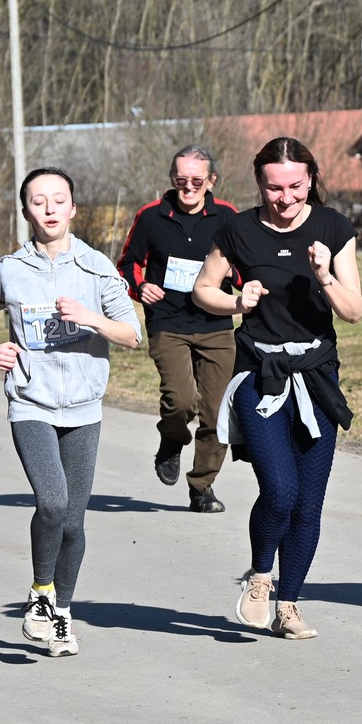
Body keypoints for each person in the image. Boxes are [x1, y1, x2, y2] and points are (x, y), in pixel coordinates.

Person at [191, 137, 362, 640]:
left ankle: (289, 606)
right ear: (259, 184)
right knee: (280, 490)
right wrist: (235, 301)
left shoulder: (333, 227)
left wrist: (325, 276)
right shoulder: (237, 229)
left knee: (309, 503)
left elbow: (352, 310)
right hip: (258, 375)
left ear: (311, 178)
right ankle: (261, 575)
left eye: (294, 186)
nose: (284, 198)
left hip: (318, 377)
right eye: (273, 188)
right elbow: (204, 290)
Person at [0, 167, 142, 658]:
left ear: (72, 208)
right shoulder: (9, 270)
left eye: (58, 200)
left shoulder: (96, 268)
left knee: (73, 520)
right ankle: (40, 592)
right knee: (51, 502)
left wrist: (91, 318)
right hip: (31, 403)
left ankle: (63, 613)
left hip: (84, 409)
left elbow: (133, 335)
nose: (48, 209)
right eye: (37, 201)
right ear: (26, 210)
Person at [116, 145, 237, 512]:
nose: (188, 187)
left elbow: (247, 264)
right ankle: (171, 440)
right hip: (168, 323)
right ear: (172, 180)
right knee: (181, 400)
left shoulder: (229, 217)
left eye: (197, 181)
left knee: (217, 413)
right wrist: (140, 287)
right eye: (181, 180)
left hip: (216, 323)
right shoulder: (151, 217)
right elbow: (126, 265)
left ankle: (202, 488)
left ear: (211, 181)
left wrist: (237, 277)